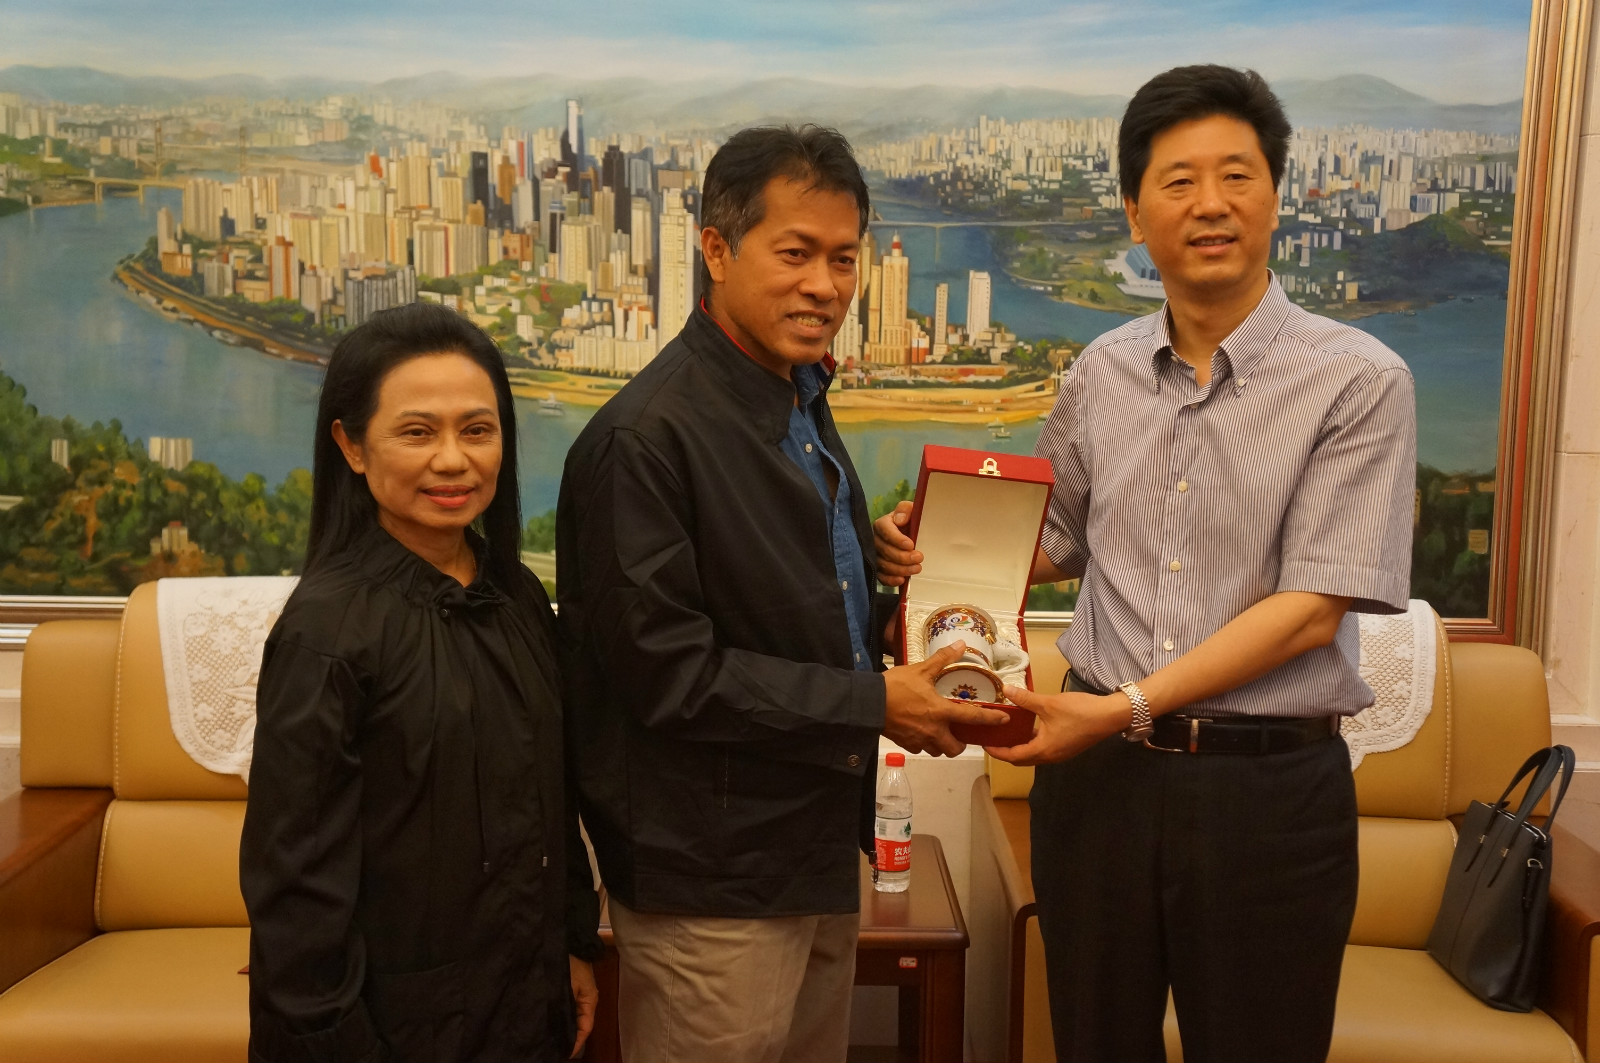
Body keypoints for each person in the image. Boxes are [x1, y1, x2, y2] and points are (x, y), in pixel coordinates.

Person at [876, 66, 1416, 1062]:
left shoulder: (1358, 380)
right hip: (1098, 788)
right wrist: (933, 545)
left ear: (1278, 196)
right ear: (1134, 211)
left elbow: (1310, 607)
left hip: (1264, 796)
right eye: (1178, 181)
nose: (1210, 203)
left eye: (1237, 176)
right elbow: (1061, 537)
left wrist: (1124, 706)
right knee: (1092, 1041)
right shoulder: (1101, 371)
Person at [557, 124, 1004, 1063]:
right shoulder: (643, 441)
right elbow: (669, 675)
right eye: (795, 253)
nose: (825, 285)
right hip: (712, 880)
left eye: (843, 258)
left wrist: (884, 586)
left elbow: (783, 608)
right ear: (717, 250)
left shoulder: (798, 399)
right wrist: (879, 700)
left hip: (812, 848)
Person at [241, 303, 602, 1063]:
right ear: (351, 445)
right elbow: (296, 888)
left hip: (525, 1004)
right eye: (416, 432)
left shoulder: (517, 594)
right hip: (390, 1029)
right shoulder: (326, 632)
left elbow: (550, 797)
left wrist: (571, 945)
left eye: (477, 430)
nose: (452, 460)